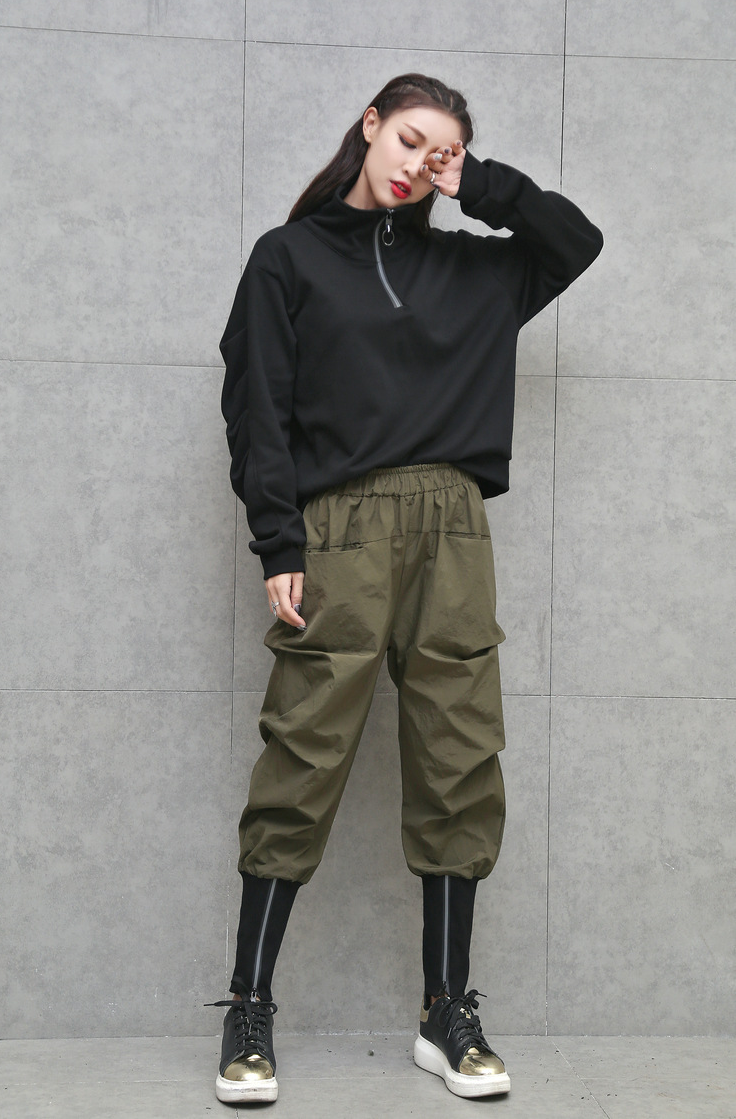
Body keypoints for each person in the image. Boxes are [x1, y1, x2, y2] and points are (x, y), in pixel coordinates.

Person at [205, 72, 603, 1105]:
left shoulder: (476, 270)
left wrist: (483, 186)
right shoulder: (288, 258)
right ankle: (250, 1008)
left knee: (461, 757)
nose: (419, 162)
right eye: (410, 137)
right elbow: (258, 408)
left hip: (454, 530)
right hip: (336, 529)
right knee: (304, 751)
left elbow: (576, 241)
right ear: (371, 125)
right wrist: (278, 542)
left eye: (443, 152)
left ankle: (445, 1011)